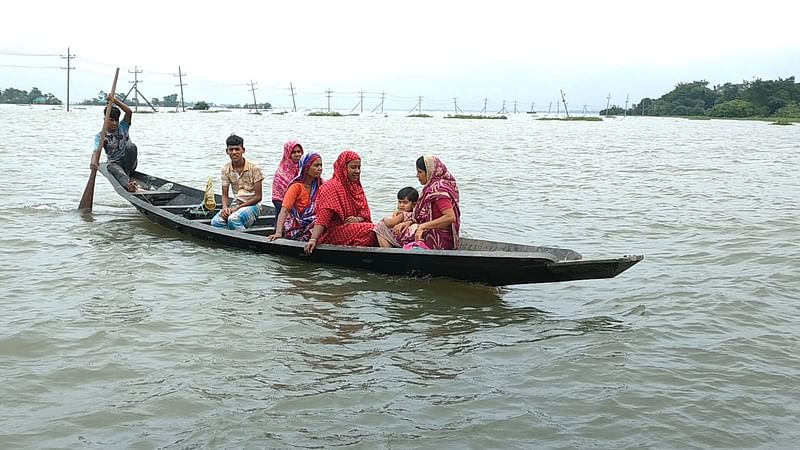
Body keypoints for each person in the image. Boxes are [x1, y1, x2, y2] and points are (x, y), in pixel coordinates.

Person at [380, 155, 461, 250]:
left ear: (430, 172)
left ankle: (391, 257)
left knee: (381, 227)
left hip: (436, 240)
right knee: (401, 227)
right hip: (439, 235)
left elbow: (450, 217)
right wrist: (410, 222)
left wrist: (422, 226)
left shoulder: (438, 189)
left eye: (420, 172)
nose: (417, 175)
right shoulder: (436, 186)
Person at [304, 150, 378, 254]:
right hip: (331, 233)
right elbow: (323, 217)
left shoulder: (356, 187)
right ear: (343, 168)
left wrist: (357, 219)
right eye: (353, 167)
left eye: (359, 167)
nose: (357, 171)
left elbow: (364, 214)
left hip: (352, 228)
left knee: (381, 227)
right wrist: (313, 239)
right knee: (371, 230)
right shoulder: (330, 187)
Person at [210, 134, 264, 230]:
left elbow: (258, 197)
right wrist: (225, 208)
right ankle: (235, 233)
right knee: (215, 222)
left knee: (233, 219)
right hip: (236, 204)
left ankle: (246, 240)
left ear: (243, 150)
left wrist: (237, 208)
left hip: (253, 206)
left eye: (237, 149)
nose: (234, 152)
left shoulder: (254, 168)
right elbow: (225, 195)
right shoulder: (226, 169)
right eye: (231, 150)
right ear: (227, 151)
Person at [267, 151, 324, 241]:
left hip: (315, 225)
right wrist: (278, 232)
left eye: (321, 165)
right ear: (306, 167)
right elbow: (284, 211)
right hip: (297, 227)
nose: (320, 168)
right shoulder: (296, 187)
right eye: (316, 165)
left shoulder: (321, 186)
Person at [90, 94, 138, 192]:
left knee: (132, 146)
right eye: (111, 120)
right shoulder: (100, 136)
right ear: (105, 120)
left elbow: (129, 112)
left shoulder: (123, 126)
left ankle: (127, 174)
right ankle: (129, 185)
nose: (115, 123)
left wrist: (115, 100)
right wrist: (93, 162)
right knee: (116, 170)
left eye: (116, 120)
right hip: (114, 163)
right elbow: (96, 151)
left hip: (129, 163)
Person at [271, 140, 304, 220]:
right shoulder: (282, 171)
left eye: (299, 152)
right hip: (281, 202)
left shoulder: (304, 168)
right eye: (293, 152)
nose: (297, 155)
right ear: (288, 154)